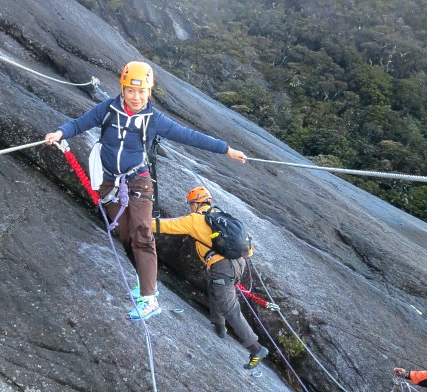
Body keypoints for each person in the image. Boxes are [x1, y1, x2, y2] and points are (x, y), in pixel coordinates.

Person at [44, 61, 247, 321]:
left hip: (139, 181)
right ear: (123, 88)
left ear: (149, 92)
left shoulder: (153, 119)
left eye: (141, 92)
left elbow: (189, 136)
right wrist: (60, 132)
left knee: (142, 232)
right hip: (109, 183)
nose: (136, 97)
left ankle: (150, 299)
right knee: (126, 235)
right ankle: (144, 285)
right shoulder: (108, 110)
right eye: (131, 90)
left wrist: (226, 149)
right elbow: (79, 124)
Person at [151, 186, 268, 369]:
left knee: (230, 307)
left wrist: (141, 221)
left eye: (191, 204)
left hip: (222, 267)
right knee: (215, 288)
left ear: (196, 203)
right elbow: (248, 247)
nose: (190, 207)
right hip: (238, 264)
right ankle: (219, 326)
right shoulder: (221, 216)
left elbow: (165, 226)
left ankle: (256, 348)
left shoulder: (195, 220)